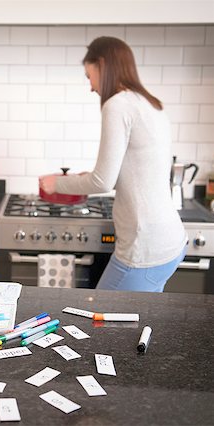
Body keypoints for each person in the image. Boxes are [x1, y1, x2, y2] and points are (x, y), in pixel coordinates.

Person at [39, 36, 187, 293]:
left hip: (145, 248)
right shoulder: (149, 103)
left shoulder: (117, 104)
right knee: (135, 323)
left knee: (101, 320)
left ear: (102, 64)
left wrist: (56, 183)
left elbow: (102, 182)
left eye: (89, 75)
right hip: (170, 240)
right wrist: (92, 175)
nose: (91, 86)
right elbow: (140, 170)